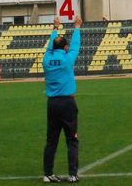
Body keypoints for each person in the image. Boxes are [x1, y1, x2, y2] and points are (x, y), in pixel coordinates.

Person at [42, 16, 82, 183]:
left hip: (52, 104)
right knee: (72, 140)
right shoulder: (67, 59)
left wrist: (55, 28)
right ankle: (72, 174)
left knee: (51, 141)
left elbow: (52, 46)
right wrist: (77, 27)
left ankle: (48, 173)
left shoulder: (46, 60)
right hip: (67, 103)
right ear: (64, 47)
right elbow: (75, 45)